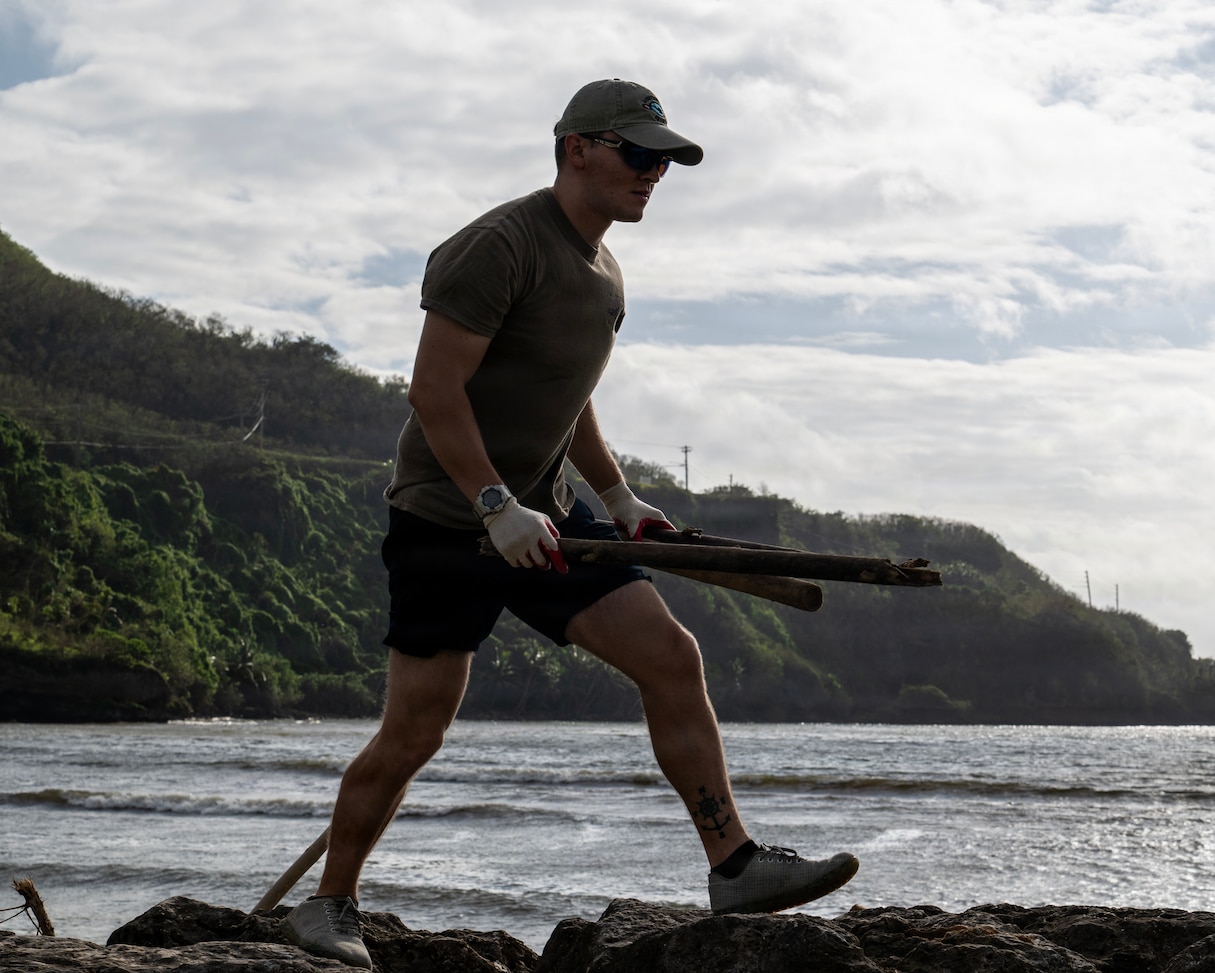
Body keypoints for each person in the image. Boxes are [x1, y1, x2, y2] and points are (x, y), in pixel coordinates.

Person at [283, 79, 858, 969]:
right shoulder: (496, 247)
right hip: (446, 523)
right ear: (576, 147)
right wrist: (489, 504)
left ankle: (734, 861)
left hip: (547, 513)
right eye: (637, 153)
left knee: (672, 656)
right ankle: (329, 905)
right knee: (415, 732)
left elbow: (569, 397)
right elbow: (434, 391)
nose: (654, 172)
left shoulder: (605, 272)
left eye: (663, 158)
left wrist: (619, 496)